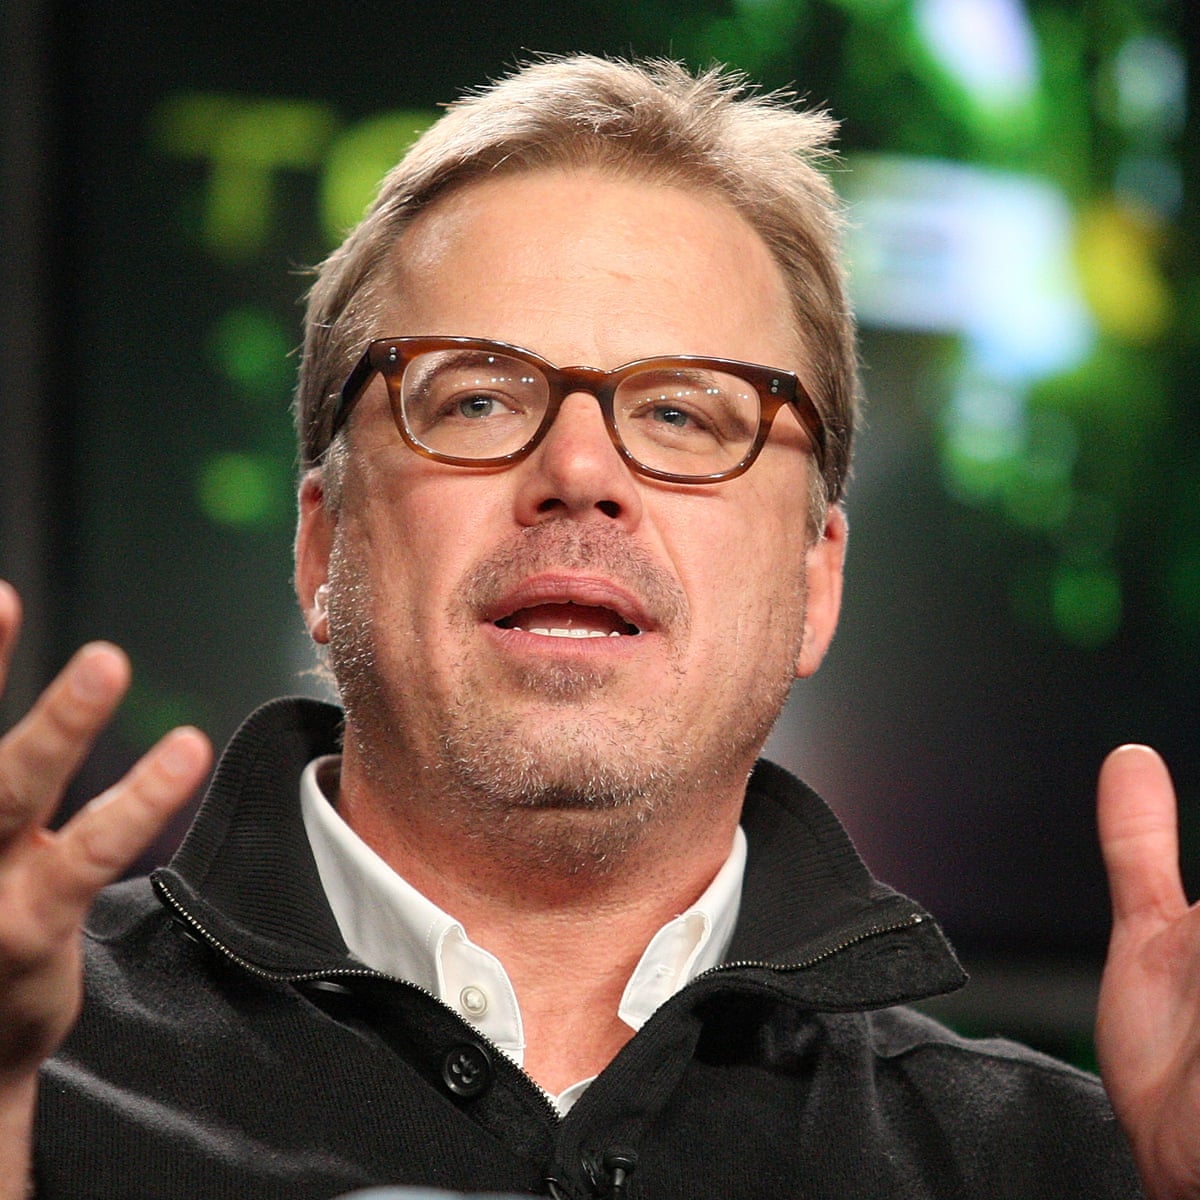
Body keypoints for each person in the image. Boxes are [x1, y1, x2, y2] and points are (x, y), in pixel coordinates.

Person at [0, 54, 1194, 1199]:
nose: (579, 471)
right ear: (322, 545)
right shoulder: (25, 1052)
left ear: (817, 581)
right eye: (475, 399)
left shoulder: (1085, 1167)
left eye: (683, 415)